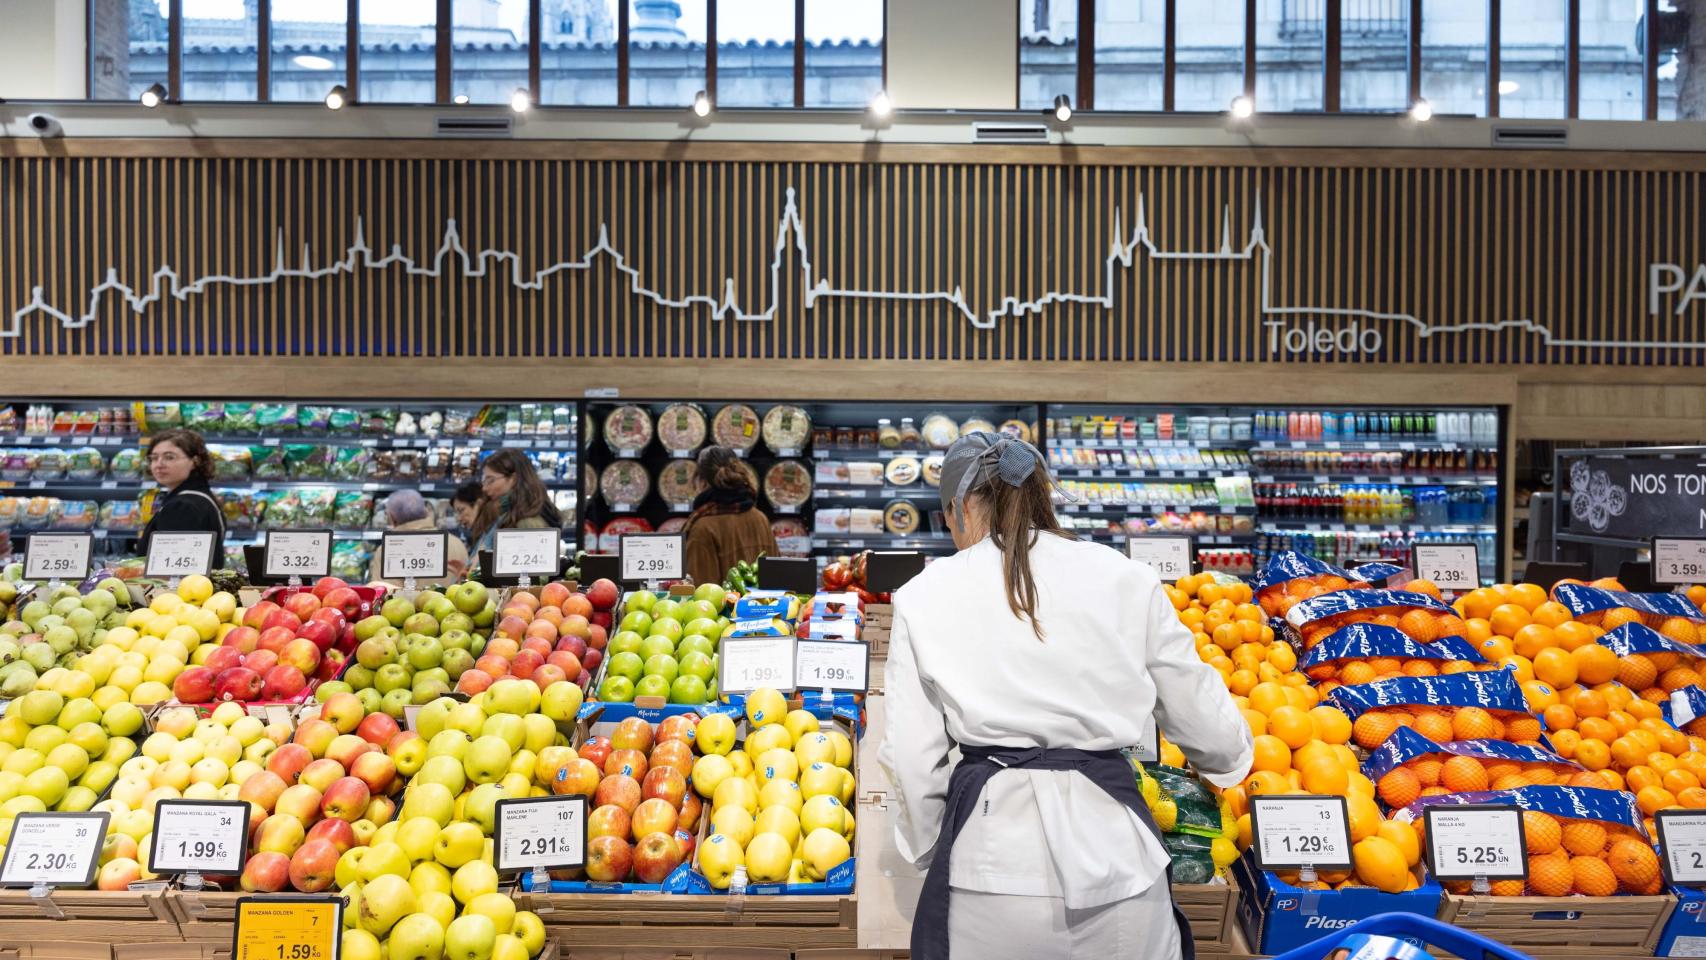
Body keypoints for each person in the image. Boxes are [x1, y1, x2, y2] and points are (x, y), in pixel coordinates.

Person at [878, 432, 1253, 960]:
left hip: (988, 867)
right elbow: (1212, 736)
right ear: (1041, 496)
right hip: (1120, 864)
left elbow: (912, 758)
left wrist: (927, 848)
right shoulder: (1127, 578)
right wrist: (1236, 759)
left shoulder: (924, 594)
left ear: (961, 508)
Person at [682, 446, 778, 587]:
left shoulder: (702, 528)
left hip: (725, 608)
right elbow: (778, 576)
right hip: (764, 607)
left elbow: (698, 593)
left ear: (701, 481)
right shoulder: (760, 518)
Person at [138, 428, 226, 564]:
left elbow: (169, 570)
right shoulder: (200, 496)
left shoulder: (184, 506)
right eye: (154, 458)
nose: (159, 464)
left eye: (169, 457)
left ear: (195, 461)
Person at [468, 449, 563, 555]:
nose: (484, 488)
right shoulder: (503, 513)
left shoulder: (527, 523)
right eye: (484, 481)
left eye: (490, 480)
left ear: (513, 479)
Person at [368, 490, 469, 586]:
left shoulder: (386, 551)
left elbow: (384, 594)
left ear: (392, 518)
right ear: (426, 511)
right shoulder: (457, 544)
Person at [450, 481, 484, 547]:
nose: (459, 519)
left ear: (479, 504)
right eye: (456, 513)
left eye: (461, 510)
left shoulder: (491, 535)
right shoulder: (476, 536)